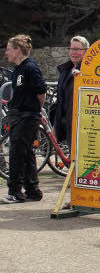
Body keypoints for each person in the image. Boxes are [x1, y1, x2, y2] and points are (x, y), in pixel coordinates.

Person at [1, 34, 47, 204]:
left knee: (17, 155)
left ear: (18, 50)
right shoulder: (18, 69)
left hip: (27, 116)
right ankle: (33, 190)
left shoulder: (30, 67)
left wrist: (35, 109)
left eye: (9, 49)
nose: (6, 53)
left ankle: (15, 192)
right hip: (18, 115)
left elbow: (41, 91)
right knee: (27, 154)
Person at [53, 36, 89, 144]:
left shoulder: (90, 71)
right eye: (72, 49)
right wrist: (56, 124)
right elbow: (61, 100)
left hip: (82, 125)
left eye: (78, 49)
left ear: (86, 51)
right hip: (65, 122)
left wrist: (82, 78)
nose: (74, 52)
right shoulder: (65, 70)